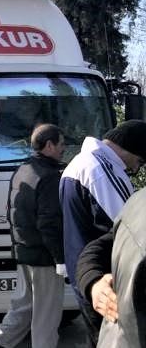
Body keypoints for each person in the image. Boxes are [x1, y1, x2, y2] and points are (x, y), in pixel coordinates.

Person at [0, 124, 67, 348]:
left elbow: (10, 210)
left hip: (23, 251)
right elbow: (49, 223)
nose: (64, 148)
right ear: (49, 145)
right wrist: (60, 259)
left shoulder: (23, 169)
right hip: (44, 257)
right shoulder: (49, 177)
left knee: (24, 305)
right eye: (62, 144)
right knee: (46, 316)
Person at [60, 120, 146, 346]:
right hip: (108, 285)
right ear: (130, 147)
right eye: (140, 161)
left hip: (87, 276)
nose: (135, 170)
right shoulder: (101, 171)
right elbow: (132, 229)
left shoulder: (79, 163)